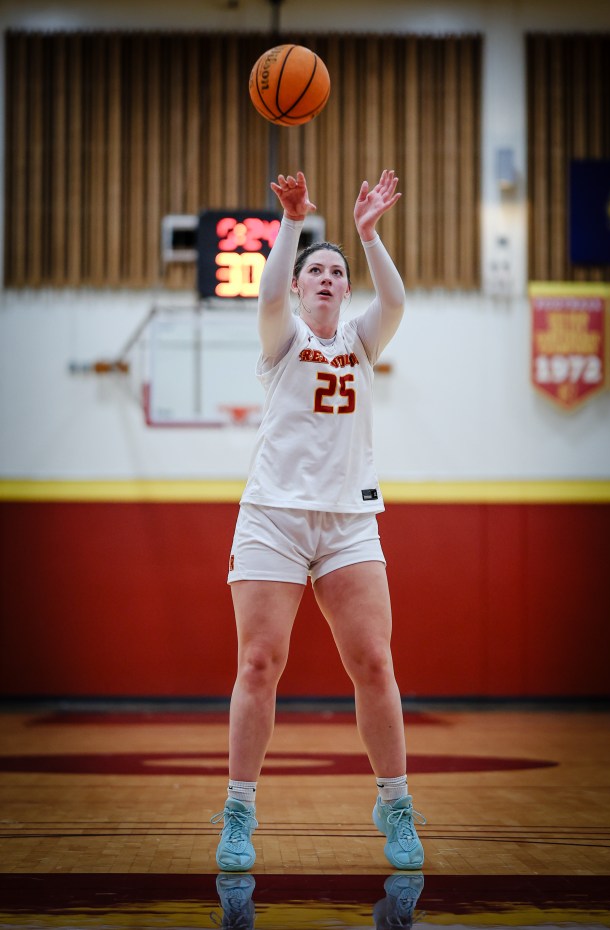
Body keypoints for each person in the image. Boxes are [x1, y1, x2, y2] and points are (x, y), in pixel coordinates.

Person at [210, 169, 425, 872]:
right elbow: (267, 291)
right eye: (317, 272)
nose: (328, 278)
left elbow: (395, 299)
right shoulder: (282, 339)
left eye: (338, 272)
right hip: (273, 517)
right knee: (259, 663)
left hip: (348, 523)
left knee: (372, 661)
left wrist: (368, 235)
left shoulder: (361, 342)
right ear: (301, 291)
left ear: (346, 287)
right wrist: (294, 223)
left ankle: (395, 803)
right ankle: (240, 809)